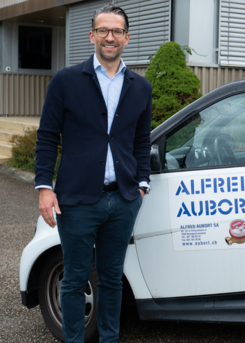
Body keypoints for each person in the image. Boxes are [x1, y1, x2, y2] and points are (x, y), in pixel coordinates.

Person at [35, 4, 152, 342]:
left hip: (124, 199)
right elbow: (47, 136)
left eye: (116, 31)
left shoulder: (140, 87)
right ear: (92, 36)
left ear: (127, 38)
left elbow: (142, 141)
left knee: (112, 279)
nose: (109, 37)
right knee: (73, 279)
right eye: (103, 30)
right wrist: (45, 186)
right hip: (77, 201)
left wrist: (141, 185)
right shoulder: (66, 81)